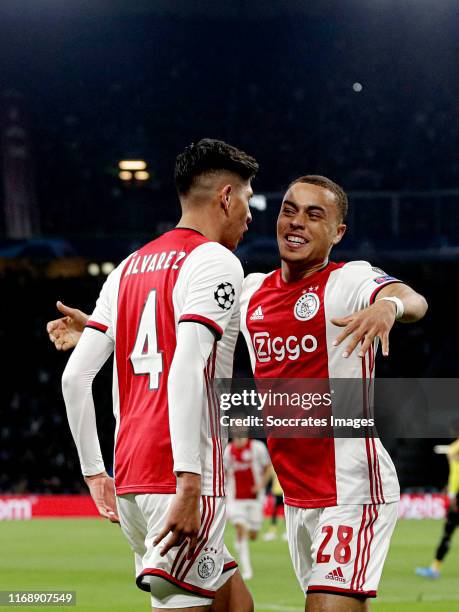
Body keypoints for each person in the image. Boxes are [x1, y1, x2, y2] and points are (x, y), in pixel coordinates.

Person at [59, 139, 258, 612]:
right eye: (249, 201)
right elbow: (187, 365)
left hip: (129, 477)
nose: (251, 216)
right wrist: (189, 483)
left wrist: (94, 473)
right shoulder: (216, 261)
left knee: (236, 605)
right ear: (226, 197)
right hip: (181, 475)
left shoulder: (126, 268)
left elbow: (74, 379)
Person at [239, 175, 428, 612]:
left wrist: (389, 305)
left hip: (354, 486)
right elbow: (184, 329)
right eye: (289, 210)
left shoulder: (348, 281)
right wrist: (104, 332)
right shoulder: (251, 293)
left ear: (337, 233)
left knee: (325, 606)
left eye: (313, 214)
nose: (296, 222)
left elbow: (413, 298)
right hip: (297, 496)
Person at [224, 434, 271, 580]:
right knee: (241, 528)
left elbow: (268, 467)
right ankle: (246, 569)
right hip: (235, 499)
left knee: (253, 534)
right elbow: (224, 473)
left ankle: (243, 540)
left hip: (255, 499)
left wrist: (260, 485)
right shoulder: (228, 450)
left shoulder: (257, 447)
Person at [416, 423, 459, 579]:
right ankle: (434, 568)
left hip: (457, 497)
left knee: (448, 533)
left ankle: (435, 569)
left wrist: (453, 494)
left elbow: (456, 473)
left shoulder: (455, 448)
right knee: (448, 532)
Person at [262, 467, 286, 542]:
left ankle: (287, 532)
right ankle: (273, 531)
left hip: (284, 492)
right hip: (276, 492)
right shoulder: (272, 467)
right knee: (274, 513)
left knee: (285, 514)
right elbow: (269, 479)